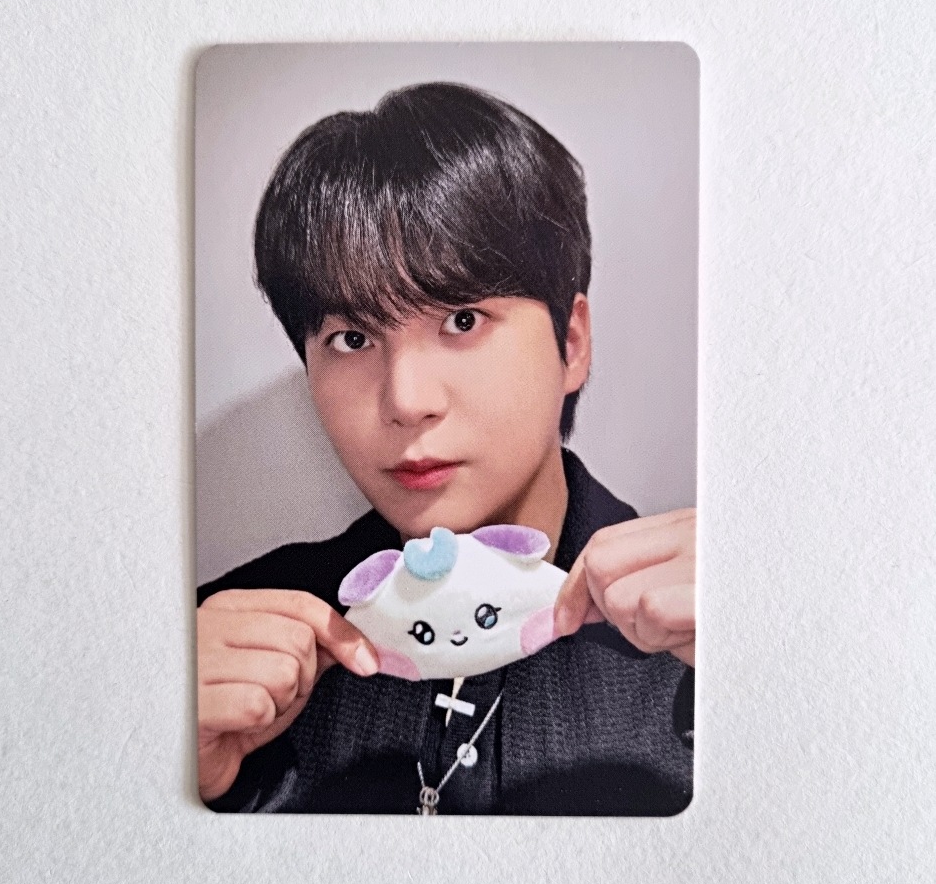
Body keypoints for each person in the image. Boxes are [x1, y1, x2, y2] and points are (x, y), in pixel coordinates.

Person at [196, 81, 696, 815]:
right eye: (352, 338)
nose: (405, 400)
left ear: (571, 342)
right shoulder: (217, 648)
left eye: (462, 320)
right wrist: (177, 786)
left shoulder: (702, 636)